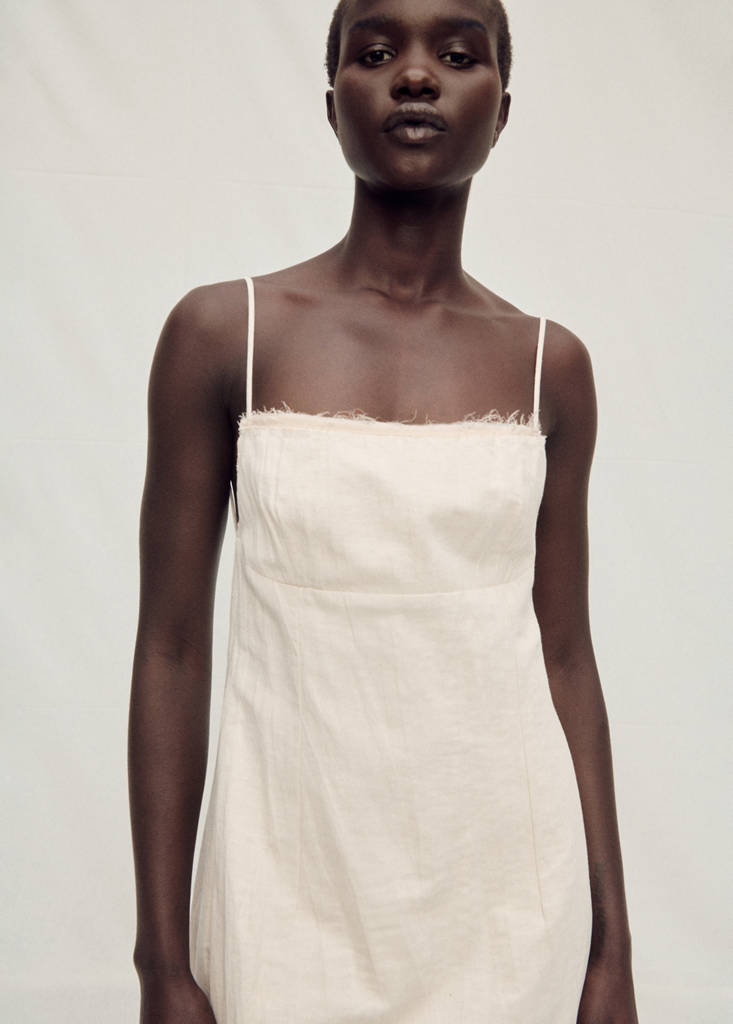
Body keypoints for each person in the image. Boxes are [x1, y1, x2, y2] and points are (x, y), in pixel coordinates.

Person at [128, 1, 639, 1021]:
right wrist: (162, 963)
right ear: (332, 104)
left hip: (509, 905)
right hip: (281, 892)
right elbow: (171, 651)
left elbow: (565, 658)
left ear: (501, 109)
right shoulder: (226, 333)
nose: (414, 75)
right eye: (374, 51)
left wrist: (612, 951)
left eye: (455, 53)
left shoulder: (551, 366)